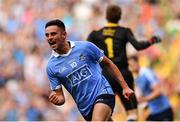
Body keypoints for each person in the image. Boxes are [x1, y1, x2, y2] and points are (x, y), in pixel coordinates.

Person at [45, 19, 134, 121]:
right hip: (85, 108)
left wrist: (125, 87)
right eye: (47, 35)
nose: (50, 38)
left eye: (53, 34)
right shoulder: (51, 67)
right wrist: (57, 100)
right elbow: (61, 97)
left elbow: (108, 63)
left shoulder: (85, 47)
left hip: (102, 92)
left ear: (64, 34)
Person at [87, 4, 161, 121]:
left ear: (106, 16)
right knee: (132, 113)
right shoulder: (124, 32)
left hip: (106, 76)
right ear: (120, 17)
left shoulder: (96, 34)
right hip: (124, 74)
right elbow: (138, 46)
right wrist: (152, 40)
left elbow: (87, 50)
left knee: (105, 113)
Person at [128, 55, 174, 121]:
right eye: (129, 66)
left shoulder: (146, 73)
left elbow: (158, 91)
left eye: (132, 65)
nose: (130, 67)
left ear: (137, 62)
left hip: (164, 110)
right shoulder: (136, 78)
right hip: (154, 112)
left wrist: (144, 99)